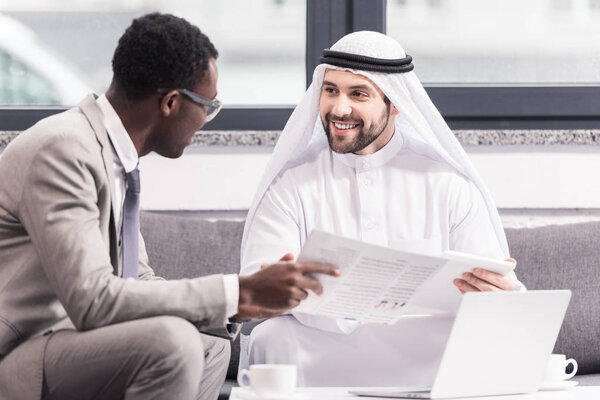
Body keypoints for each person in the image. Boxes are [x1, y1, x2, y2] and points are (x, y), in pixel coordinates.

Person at [0, 13, 339, 400]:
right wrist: (238, 291)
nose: (206, 121)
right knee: (173, 341)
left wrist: (242, 307)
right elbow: (93, 301)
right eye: (207, 106)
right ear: (171, 103)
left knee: (210, 347)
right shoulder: (62, 150)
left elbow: (135, 284)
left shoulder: (115, 158)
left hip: (65, 342)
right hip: (19, 353)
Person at [240, 31, 525, 387]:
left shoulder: (447, 183)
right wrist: (280, 288)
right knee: (272, 337)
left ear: (396, 103)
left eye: (358, 93)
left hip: (422, 345)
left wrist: (498, 293)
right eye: (331, 90)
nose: (339, 108)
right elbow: (256, 282)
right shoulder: (291, 184)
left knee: (479, 338)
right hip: (323, 344)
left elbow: (496, 286)